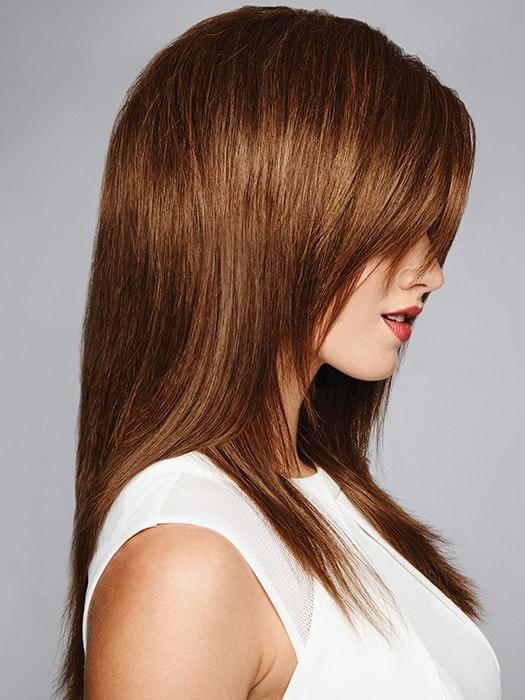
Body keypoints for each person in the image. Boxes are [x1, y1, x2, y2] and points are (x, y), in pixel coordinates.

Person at [55, 6, 501, 699]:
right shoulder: (188, 561)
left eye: (431, 232)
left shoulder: (315, 496)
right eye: (395, 226)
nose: (431, 274)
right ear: (271, 222)